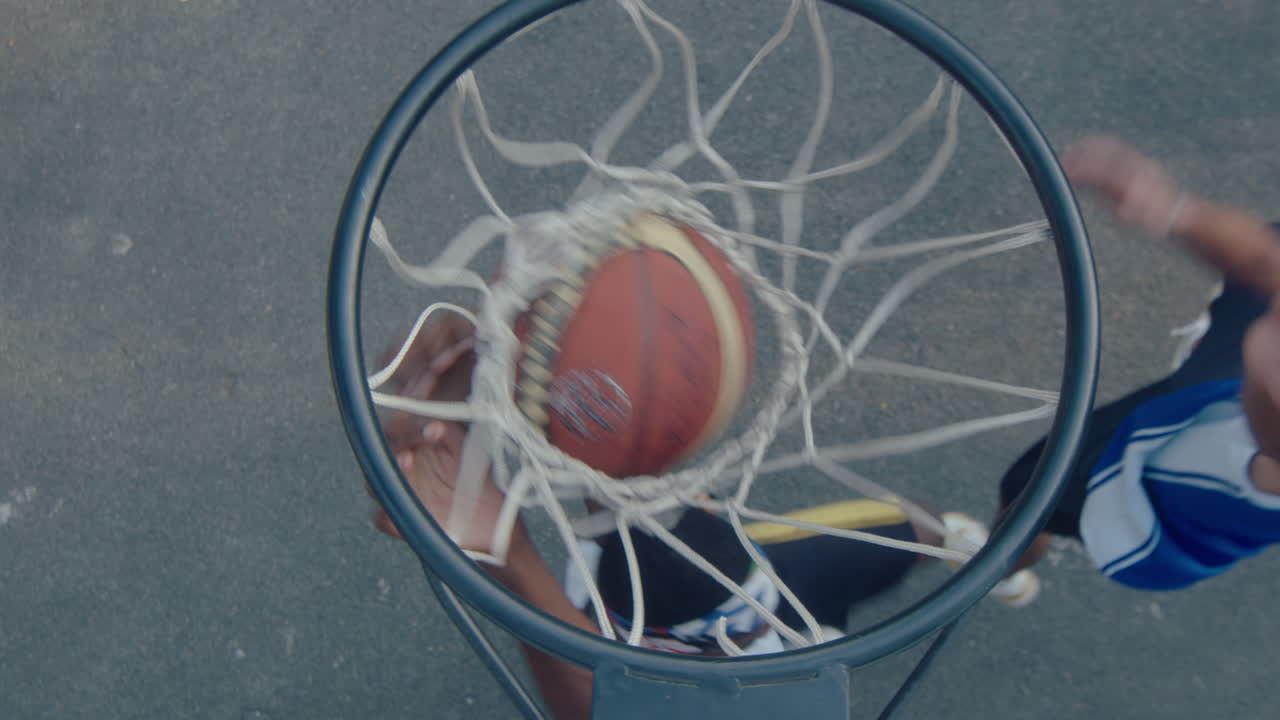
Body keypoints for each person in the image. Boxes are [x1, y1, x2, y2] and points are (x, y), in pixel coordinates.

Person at [369, 307, 949, 719]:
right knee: (918, 528)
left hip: (682, 610)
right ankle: (967, 542)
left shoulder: (596, 594)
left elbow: (600, 697)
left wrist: (510, 555)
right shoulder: (766, 630)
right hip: (766, 598)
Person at [995, 135, 1280, 589]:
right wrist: (1170, 210)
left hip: (1177, 479)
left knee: (1031, 496)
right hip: (1249, 380)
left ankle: (999, 571)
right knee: (1262, 266)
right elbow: (1267, 258)